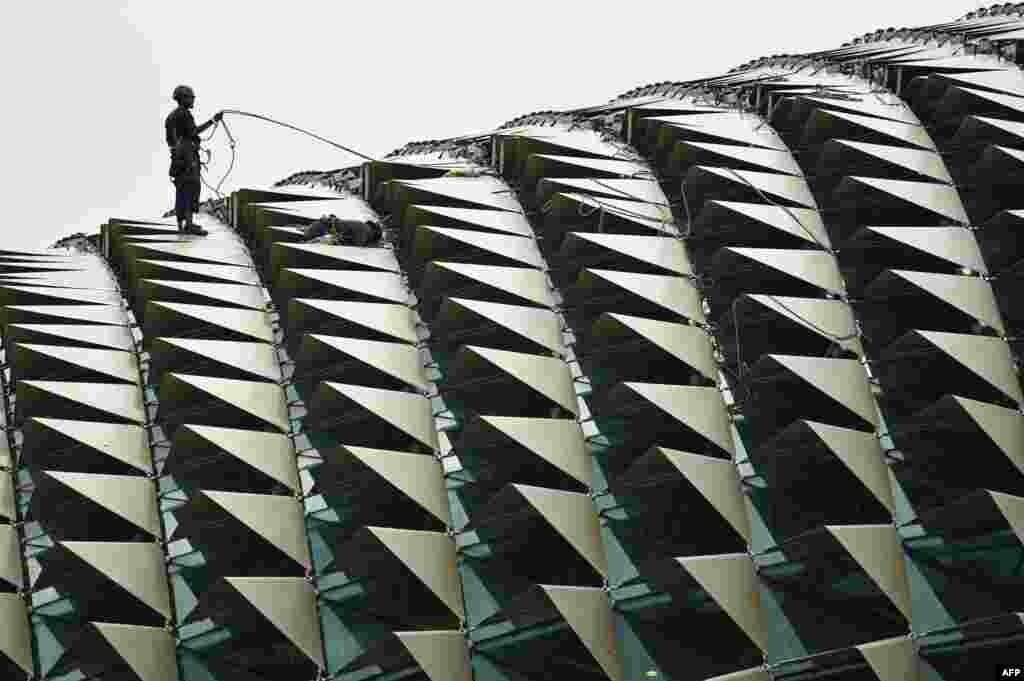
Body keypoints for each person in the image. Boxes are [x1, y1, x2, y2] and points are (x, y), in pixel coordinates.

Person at [165, 85, 221, 235]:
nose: (192, 100)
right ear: (183, 98)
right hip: (188, 159)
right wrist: (212, 121)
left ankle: (181, 225)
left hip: (177, 159)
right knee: (191, 188)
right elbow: (193, 132)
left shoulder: (171, 117)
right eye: (190, 97)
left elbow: (170, 140)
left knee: (181, 190)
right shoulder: (184, 114)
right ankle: (189, 225)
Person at [302, 214, 383, 246]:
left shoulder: (362, 225)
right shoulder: (365, 230)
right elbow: (358, 245)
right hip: (320, 229)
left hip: (319, 226)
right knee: (308, 243)